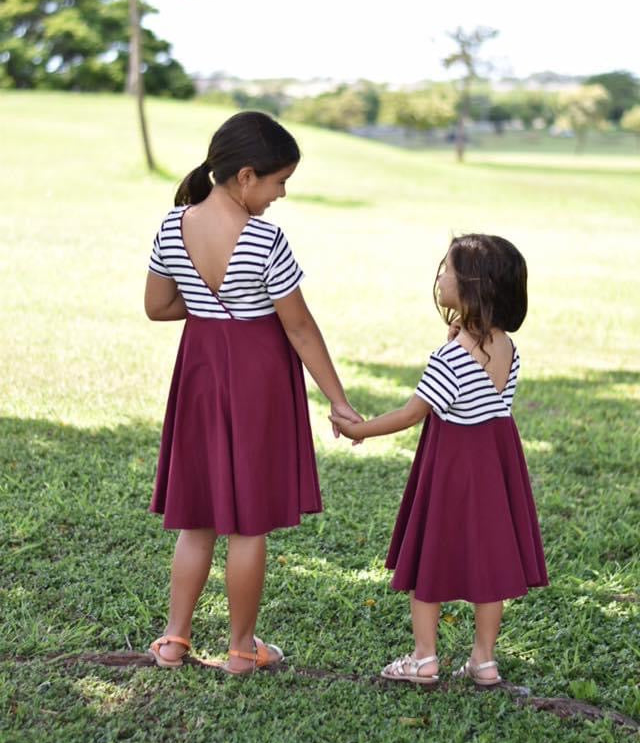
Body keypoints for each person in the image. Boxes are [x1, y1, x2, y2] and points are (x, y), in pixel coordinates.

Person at [144, 111, 360, 674]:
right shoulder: (265, 238)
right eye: (278, 181)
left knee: (198, 519)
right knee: (248, 523)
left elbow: (157, 306)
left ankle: (174, 640)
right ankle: (242, 649)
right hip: (258, 379)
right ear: (245, 177)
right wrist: (338, 399)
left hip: (200, 375)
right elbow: (299, 327)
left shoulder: (173, 227)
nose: (281, 193)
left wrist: (209, 312)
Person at [330, 234, 548, 687]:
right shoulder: (507, 346)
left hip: (451, 468)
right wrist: (459, 333)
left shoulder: (449, 356)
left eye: (448, 271)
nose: (441, 278)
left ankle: (424, 657)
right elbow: (480, 389)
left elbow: (412, 413)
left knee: (430, 560)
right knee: (489, 562)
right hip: (494, 467)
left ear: (471, 288)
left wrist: (359, 429)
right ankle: (484, 660)